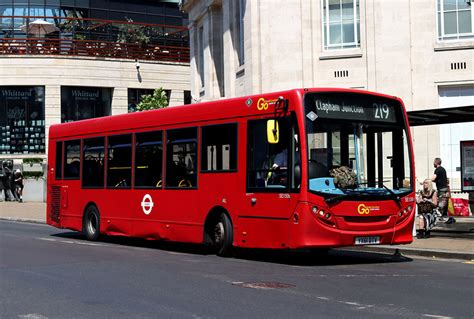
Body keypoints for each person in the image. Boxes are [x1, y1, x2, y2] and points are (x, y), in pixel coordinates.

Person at [431, 157, 455, 224]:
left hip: (442, 190)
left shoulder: (437, 170)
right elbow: (440, 180)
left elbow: (433, 178)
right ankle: (445, 218)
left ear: (436, 162)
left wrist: (427, 181)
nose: (433, 163)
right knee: (445, 205)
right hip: (445, 189)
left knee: (441, 204)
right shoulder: (443, 169)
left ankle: (442, 218)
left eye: (433, 162)